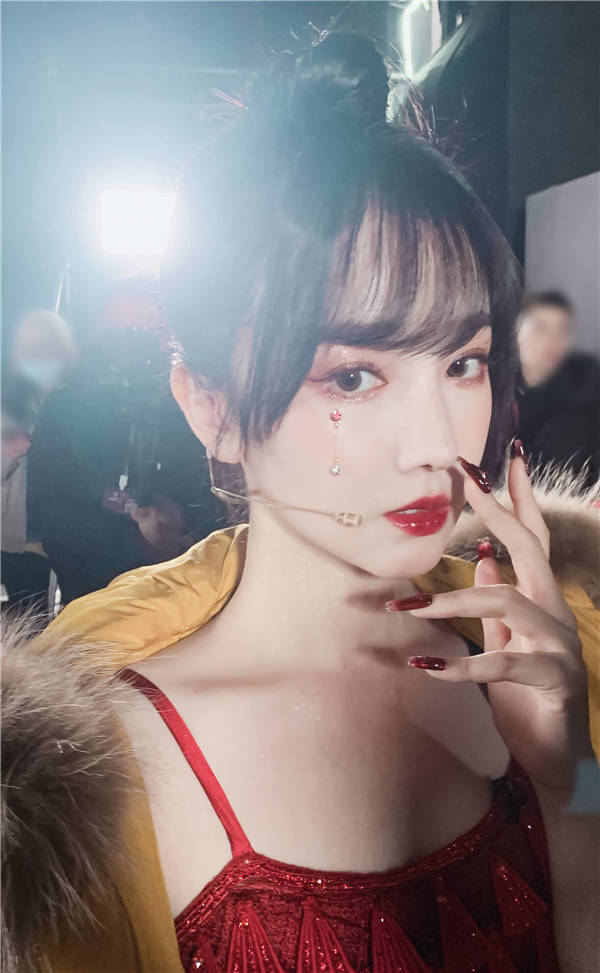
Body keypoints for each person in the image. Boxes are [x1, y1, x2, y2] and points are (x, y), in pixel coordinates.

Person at [4, 33, 599, 973]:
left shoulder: (553, 660)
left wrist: (571, 784)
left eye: (464, 361)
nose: (437, 442)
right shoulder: (99, 773)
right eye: (354, 375)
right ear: (210, 407)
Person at [26, 274, 221, 604]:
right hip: (94, 596)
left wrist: (179, 524)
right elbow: (46, 510)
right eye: (125, 334)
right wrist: (133, 544)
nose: (141, 347)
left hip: (189, 590)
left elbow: (226, 498)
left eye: (154, 333)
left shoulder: (201, 405)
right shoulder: (65, 408)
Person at [1, 309, 75, 611]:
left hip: (61, 534)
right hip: (14, 538)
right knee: (25, 619)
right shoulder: (8, 399)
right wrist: (7, 451)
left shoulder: (74, 402)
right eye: (29, 346)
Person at [515, 291, 600, 485]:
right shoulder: (492, 394)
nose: (553, 340)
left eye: (563, 329)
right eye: (541, 329)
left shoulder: (587, 394)